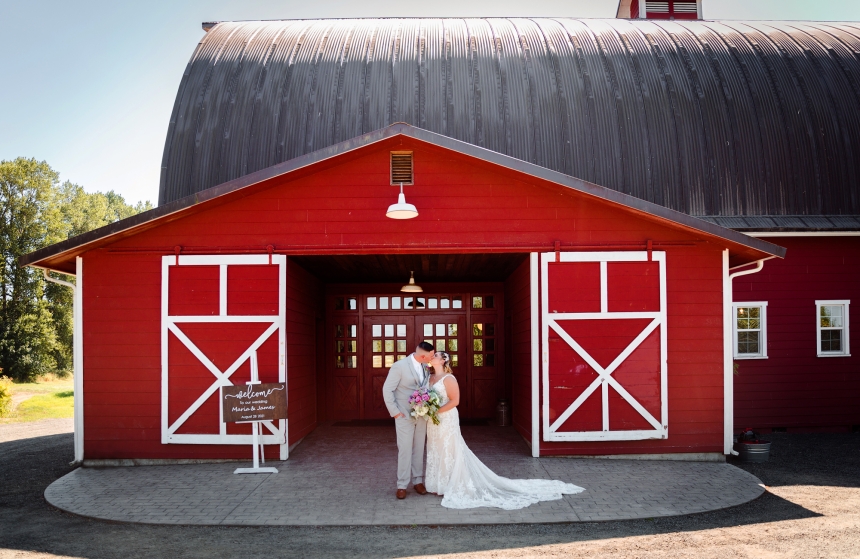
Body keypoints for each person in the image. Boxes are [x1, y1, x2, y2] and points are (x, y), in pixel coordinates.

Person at [425, 351, 585, 509]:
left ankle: (448, 484)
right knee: (435, 448)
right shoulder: (430, 377)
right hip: (433, 421)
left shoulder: (449, 378)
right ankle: (436, 483)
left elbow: (455, 400)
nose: (432, 357)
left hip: (446, 418)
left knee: (448, 448)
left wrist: (436, 411)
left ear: (444, 360)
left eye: (436, 356)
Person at [381, 341, 435, 500]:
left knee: (419, 448)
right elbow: (387, 390)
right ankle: (402, 485)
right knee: (405, 449)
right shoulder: (399, 366)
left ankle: (418, 481)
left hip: (421, 415)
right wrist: (396, 413)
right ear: (423, 355)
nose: (432, 358)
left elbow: (425, 387)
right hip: (404, 415)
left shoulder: (426, 366)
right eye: (431, 356)